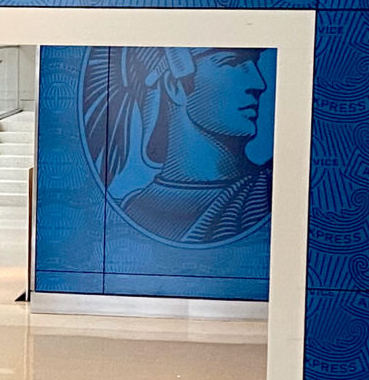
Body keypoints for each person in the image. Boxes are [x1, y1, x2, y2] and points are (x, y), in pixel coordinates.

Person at [80, 46, 273, 246]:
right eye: (232, 62)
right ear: (175, 86)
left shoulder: (267, 191)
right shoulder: (131, 210)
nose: (260, 83)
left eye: (255, 63)